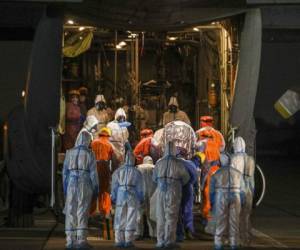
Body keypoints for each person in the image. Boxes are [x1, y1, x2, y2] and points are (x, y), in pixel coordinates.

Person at [62, 131, 99, 249]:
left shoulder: (69, 152)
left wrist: (65, 187)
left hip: (71, 184)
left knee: (71, 210)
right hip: (84, 183)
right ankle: (81, 240)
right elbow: (93, 173)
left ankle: (70, 240)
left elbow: (64, 173)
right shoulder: (90, 154)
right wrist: (95, 188)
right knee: (82, 210)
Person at [153, 141, 190, 248]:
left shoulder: (159, 163)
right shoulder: (179, 163)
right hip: (173, 190)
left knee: (160, 215)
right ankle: (169, 241)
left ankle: (160, 241)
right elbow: (186, 178)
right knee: (171, 216)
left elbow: (154, 178)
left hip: (161, 190)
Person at [210, 153, 246, 250]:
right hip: (236, 196)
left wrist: (212, 200)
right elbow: (243, 189)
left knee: (221, 221)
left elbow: (212, 189)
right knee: (234, 221)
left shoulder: (218, 173)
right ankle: (234, 244)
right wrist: (242, 201)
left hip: (222, 196)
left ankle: (218, 244)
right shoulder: (238, 173)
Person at [111, 150, 144, 248]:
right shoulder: (137, 172)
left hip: (121, 194)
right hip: (132, 195)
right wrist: (141, 197)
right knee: (131, 216)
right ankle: (128, 240)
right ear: (133, 160)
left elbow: (114, 185)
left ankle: (119, 240)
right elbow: (140, 187)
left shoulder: (118, 171)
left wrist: (114, 196)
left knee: (120, 216)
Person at [231, 137, 255, 246]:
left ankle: (236, 240)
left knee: (235, 217)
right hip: (249, 192)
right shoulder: (251, 159)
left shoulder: (234, 159)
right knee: (246, 216)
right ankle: (247, 239)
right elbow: (252, 180)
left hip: (237, 191)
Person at [90, 127, 114, 217]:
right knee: (105, 189)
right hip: (104, 167)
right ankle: (104, 210)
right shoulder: (109, 144)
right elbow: (112, 158)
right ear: (108, 135)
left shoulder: (93, 142)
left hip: (93, 167)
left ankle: (92, 211)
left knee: (93, 189)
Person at [176, 149, 198, 242]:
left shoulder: (174, 163)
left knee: (177, 211)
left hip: (175, 189)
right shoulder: (190, 164)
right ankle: (189, 230)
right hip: (187, 188)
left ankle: (179, 233)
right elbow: (194, 177)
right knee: (187, 210)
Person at [135, 156, 157, 240]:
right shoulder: (155, 167)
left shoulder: (138, 168)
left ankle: (138, 233)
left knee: (139, 213)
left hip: (141, 192)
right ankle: (153, 234)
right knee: (152, 213)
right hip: (152, 192)